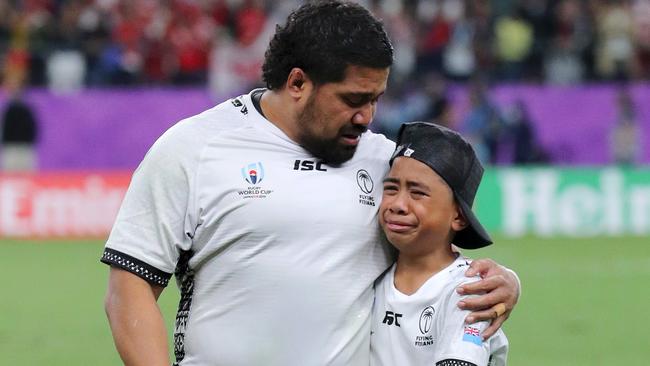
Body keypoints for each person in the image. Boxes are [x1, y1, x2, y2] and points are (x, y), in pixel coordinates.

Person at [101, 2, 520, 365]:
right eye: (354, 100)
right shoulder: (193, 148)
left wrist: (501, 282)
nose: (368, 116)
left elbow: (434, 251)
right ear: (298, 83)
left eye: (376, 99)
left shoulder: (385, 163)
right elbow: (129, 288)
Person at [370, 122, 508, 366]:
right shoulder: (371, 276)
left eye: (417, 193)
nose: (398, 204)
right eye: (391, 189)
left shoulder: (468, 292)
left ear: (458, 217)